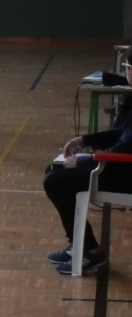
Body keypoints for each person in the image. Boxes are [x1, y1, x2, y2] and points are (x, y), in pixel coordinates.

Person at [43, 48, 132, 275]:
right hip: (121, 165)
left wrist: (85, 161)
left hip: (125, 173)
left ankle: (90, 250)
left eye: (127, 68)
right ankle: (80, 243)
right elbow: (122, 134)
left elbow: (126, 148)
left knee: (56, 181)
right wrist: (84, 140)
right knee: (54, 169)